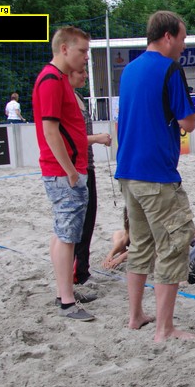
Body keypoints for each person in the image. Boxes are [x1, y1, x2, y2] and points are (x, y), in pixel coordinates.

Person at [114, 10, 195, 341]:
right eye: (182, 38)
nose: (183, 45)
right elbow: (188, 121)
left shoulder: (129, 69)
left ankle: (135, 316)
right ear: (167, 37)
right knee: (174, 243)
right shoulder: (169, 68)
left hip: (128, 171)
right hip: (156, 174)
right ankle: (164, 328)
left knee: (140, 244)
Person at [32, 25, 94, 321]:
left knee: (64, 233)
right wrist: (70, 171)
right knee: (67, 236)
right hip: (63, 171)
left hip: (67, 169)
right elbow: (50, 130)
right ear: (65, 48)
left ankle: (64, 291)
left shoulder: (58, 79)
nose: (86, 57)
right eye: (83, 51)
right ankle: (67, 300)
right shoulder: (51, 80)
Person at [70, 69, 112, 286]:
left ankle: (81, 270)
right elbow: (69, 138)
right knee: (77, 225)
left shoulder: (78, 96)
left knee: (88, 221)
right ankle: (77, 274)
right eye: (81, 72)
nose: (85, 75)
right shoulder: (66, 97)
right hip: (75, 169)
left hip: (87, 166)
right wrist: (96, 138)